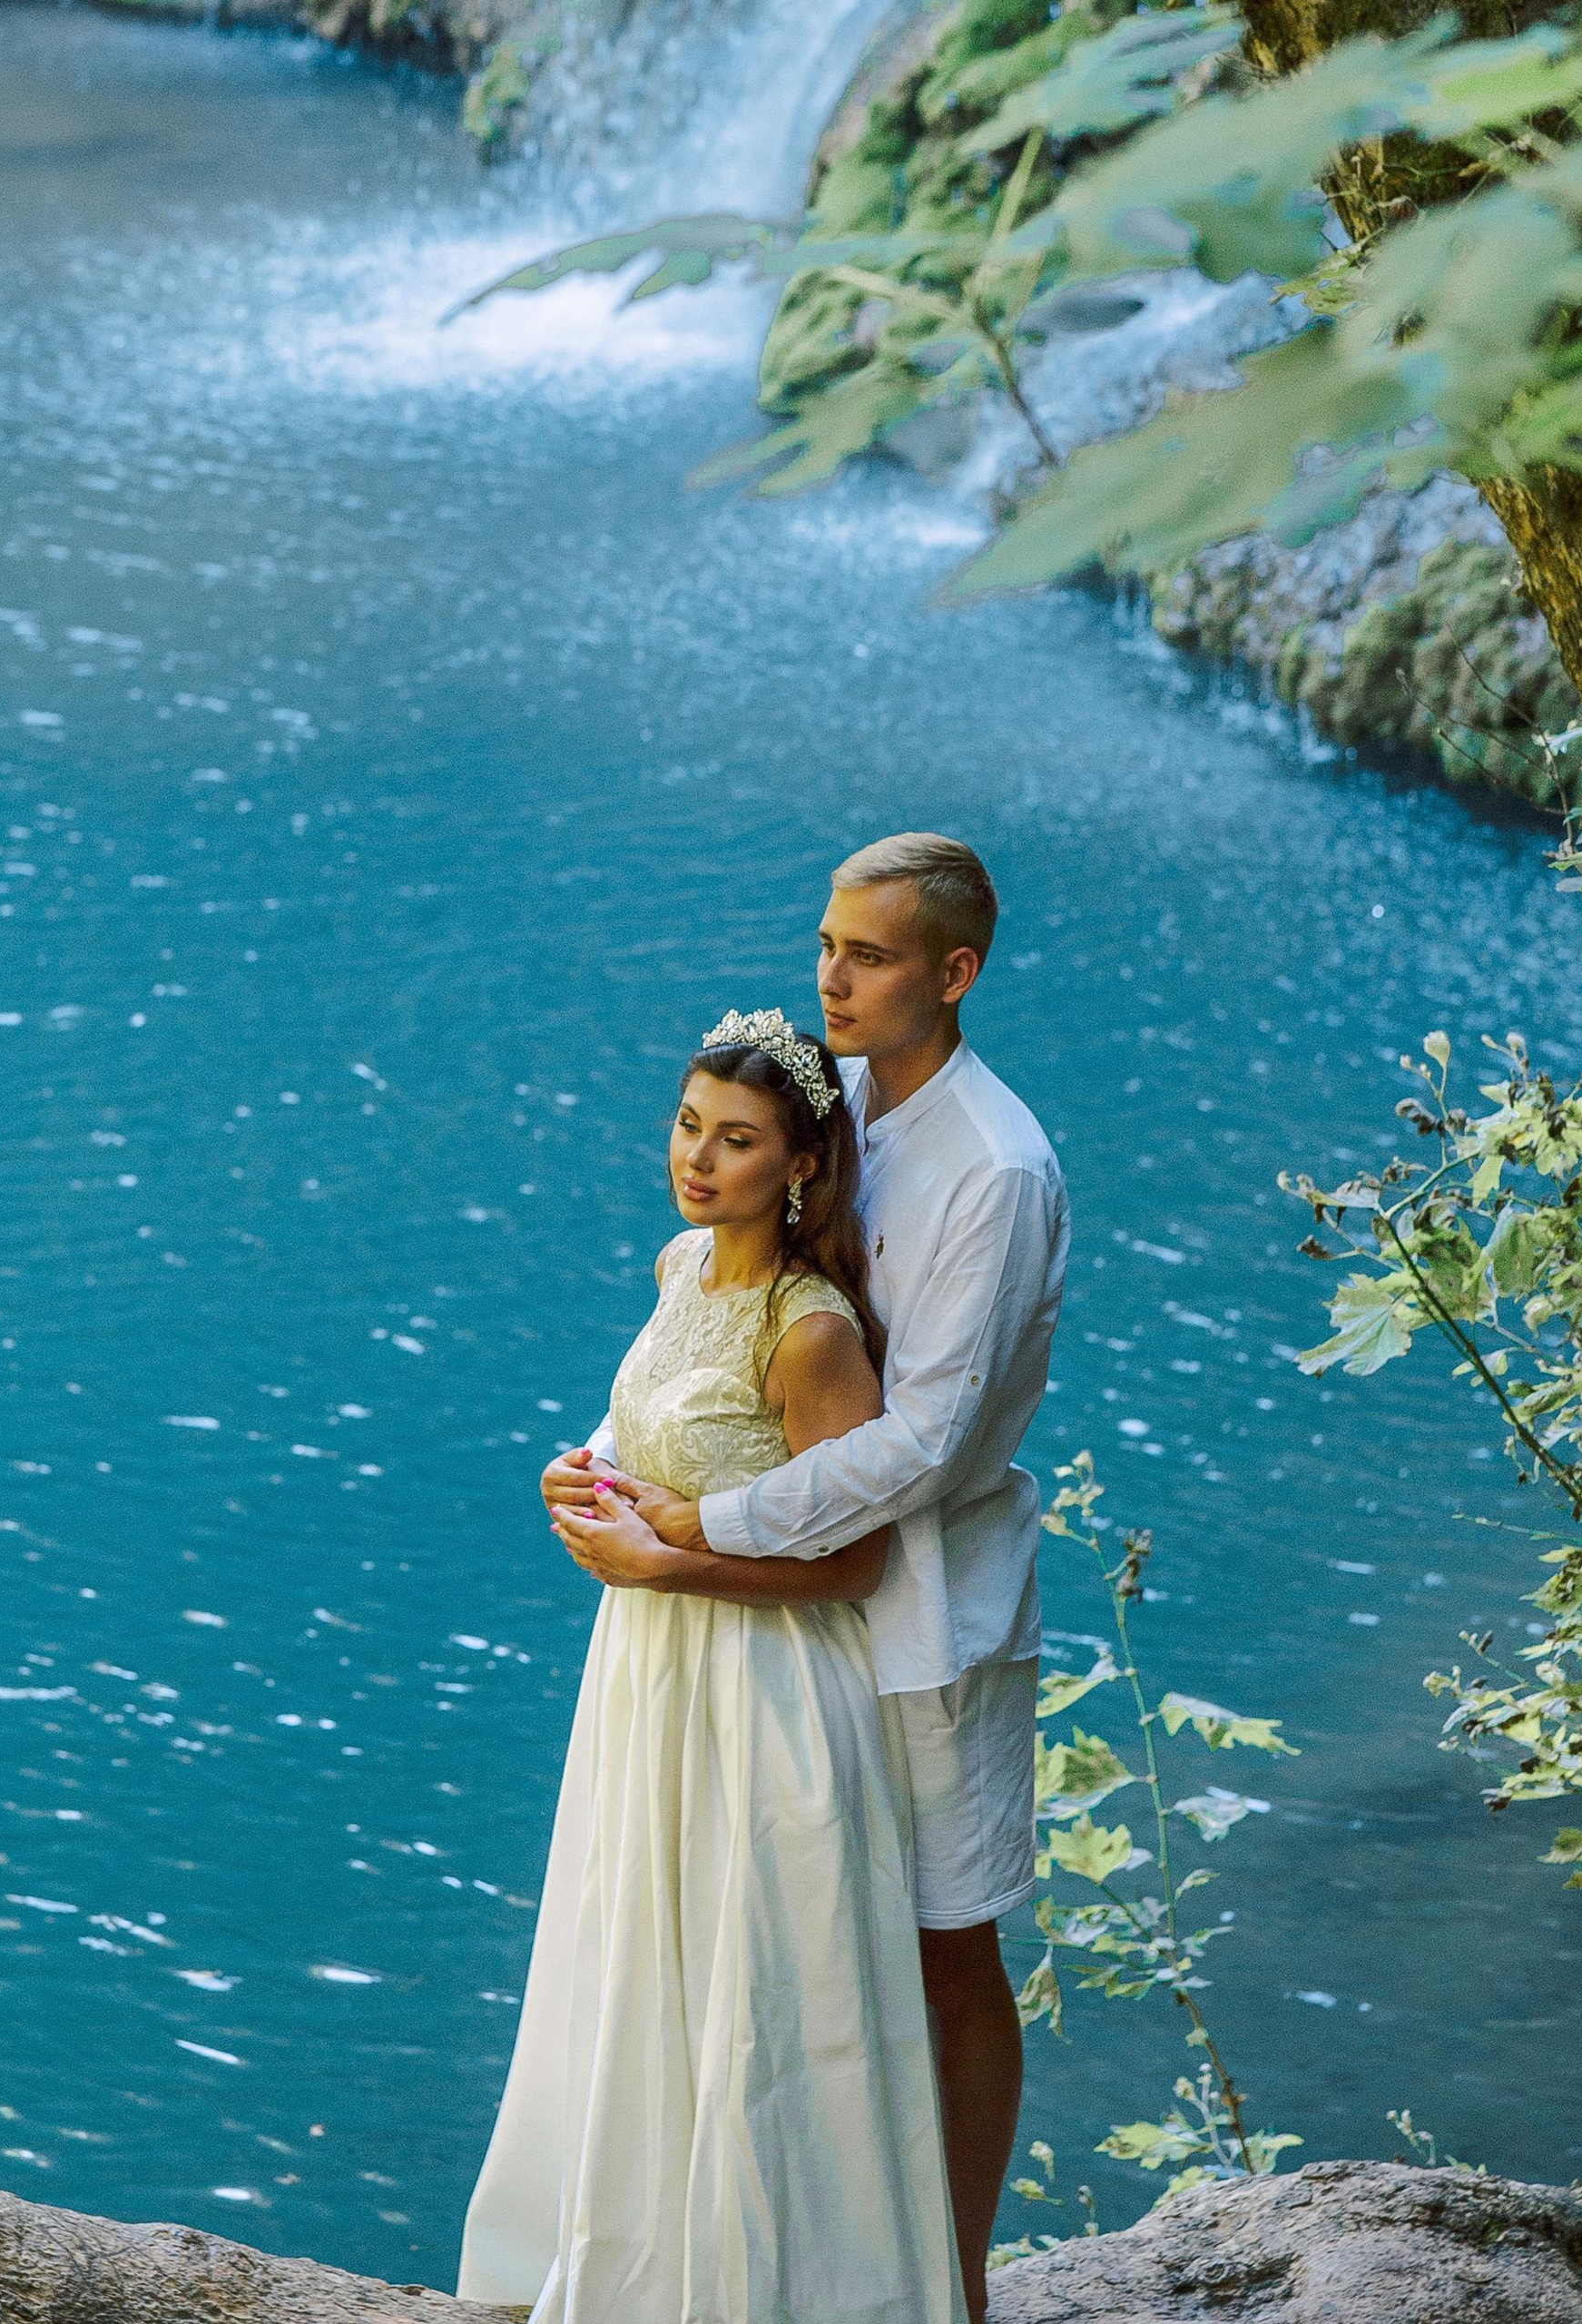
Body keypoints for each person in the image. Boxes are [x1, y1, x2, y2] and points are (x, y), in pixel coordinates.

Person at [581, 832, 1068, 2324]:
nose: (830, 979)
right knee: (803, 1929)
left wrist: (704, 1527)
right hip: (800, 1605)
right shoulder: (834, 1104)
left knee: (943, 1941)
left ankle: (957, 2279)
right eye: (826, 945)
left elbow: (920, 1442)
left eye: (866, 955)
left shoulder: (996, 1167)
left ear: (955, 972)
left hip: (925, 1599)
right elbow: (727, 1310)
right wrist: (623, 1460)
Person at [457, 1007, 968, 2324]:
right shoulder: (683, 1269)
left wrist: (670, 1563)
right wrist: (585, 1473)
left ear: (801, 1163)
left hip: (765, 1695)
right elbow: (670, 1444)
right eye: (691, 1125)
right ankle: (637, 2262)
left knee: (759, 1992)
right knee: (639, 1958)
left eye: (738, 1140)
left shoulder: (812, 1334)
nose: (699, 1158)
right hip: (649, 1676)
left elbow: (854, 1564)